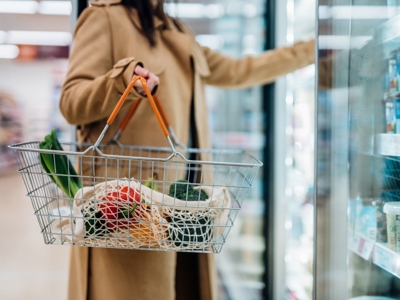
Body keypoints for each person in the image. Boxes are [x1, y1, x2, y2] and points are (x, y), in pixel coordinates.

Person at [59, 0, 314, 299]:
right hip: (128, 210)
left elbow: (237, 71)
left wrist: (311, 50)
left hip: (185, 207)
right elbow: (71, 103)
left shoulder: (176, 29)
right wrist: (121, 81)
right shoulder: (103, 18)